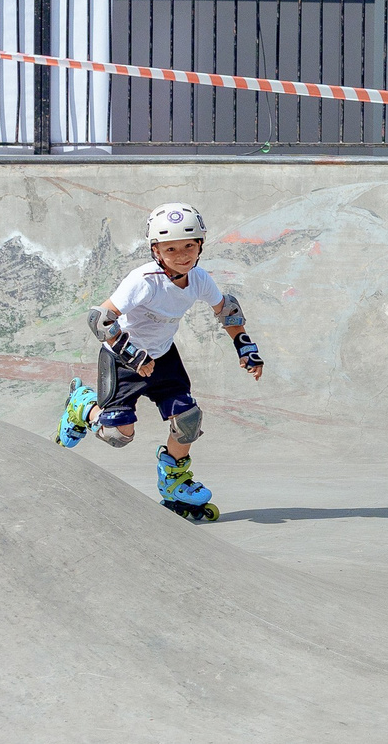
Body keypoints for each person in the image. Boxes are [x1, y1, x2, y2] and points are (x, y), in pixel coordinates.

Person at [54, 202, 264, 522]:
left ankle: (174, 482)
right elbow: (100, 319)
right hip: (122, 361)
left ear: (200, 245)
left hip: (163, 358)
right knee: (118, 436)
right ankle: (83, 405)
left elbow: (226, 310)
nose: (182, 255)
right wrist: (131, 355)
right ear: (156, 250)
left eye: (189, 246)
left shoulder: (199, 279)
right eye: (171, 248)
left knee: (188, 420)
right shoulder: (143, 280)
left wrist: (244, 347)